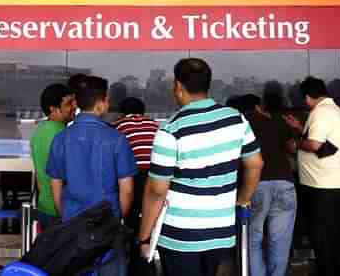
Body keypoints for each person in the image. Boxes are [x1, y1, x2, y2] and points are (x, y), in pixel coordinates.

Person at [138, 58, 264, 276]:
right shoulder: (236, 119)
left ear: (177, 86)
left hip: (181, 236)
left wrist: (143, 237)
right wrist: (243, 198)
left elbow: (157, 191)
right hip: (220, 230)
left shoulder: (171, 130)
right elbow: (256, 164)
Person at [47, 75, 137, 275]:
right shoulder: (116, 139)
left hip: (72, 223)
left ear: (77, 103)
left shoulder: (61, 138)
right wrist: (117, 216)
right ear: (102, 103)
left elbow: (55, 182)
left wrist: (65, 215)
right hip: (108, 226)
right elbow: (128, 188)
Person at [283, 76, 340, 276]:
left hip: (324, 189)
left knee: (324, 243)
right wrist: (299, 128)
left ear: (307, 97)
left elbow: (315, 145)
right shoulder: (335, 112)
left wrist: (296, 143)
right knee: (333, 243)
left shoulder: (322, 113)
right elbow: (326, 144)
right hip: (333, 187)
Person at [236, 94, 297, 276]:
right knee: (279, 241)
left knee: (252, 240)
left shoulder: (239, 126)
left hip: (255, 185)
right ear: (258, 107)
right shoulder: (275, 121)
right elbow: (292, 147)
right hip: (284, 184)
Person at [113, 97, 158, 276]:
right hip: (155, 176)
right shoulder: (154, 124)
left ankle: (136, 265)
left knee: (133, 221)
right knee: (150, 220)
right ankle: (146, 261)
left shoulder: (119, 125)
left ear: (123, 112)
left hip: (135, 176)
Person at [30, 83, 75, 230]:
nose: (74, 107)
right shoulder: (63, 135)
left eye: (73, 102)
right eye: (68, 104)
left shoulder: (39, 132)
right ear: (53, 109)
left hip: (44, 206)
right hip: (60, 210)